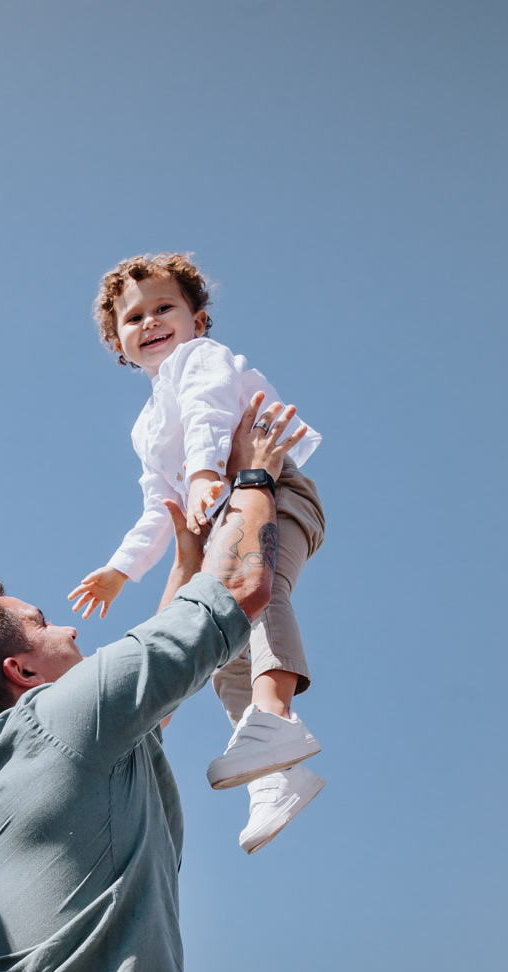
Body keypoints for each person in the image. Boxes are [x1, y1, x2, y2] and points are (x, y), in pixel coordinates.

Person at [0, 399, 305, 972]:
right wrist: (257, 477)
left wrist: (187, 558)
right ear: (22, 671)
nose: (72, 631)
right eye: (43, 623)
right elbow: (241, 586)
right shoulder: (60, 723)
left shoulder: (32, 763)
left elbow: (154, 692)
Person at [68, 253, 326, 853]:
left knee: (258, 589)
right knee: (224, 644)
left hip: (276, 490)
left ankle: (274, 718)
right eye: (134, 318)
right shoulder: (146, 427)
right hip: (224, 512)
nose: (151, 322)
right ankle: (274, 775)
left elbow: (210, 407)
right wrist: (121, 569)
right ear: (119, 344)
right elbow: (159, 506)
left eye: (165, 308)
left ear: (198, 320)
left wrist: (207, 472)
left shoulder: (200, 358)